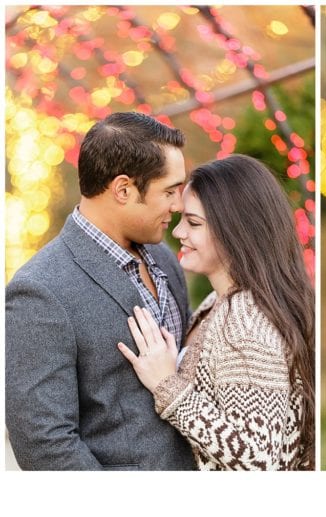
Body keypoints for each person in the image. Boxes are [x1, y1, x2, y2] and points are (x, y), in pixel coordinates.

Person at [5, 112, 195, 470]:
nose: (178, 205)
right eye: (169, 190)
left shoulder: (165, 258)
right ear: (123, 190)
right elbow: (44, 442)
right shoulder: (39, 290)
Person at [117, 155, 315, 470]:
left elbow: (257, 460)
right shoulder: (218, 302)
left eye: (194, 223)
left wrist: (167, 384)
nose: (179, 232)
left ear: (236, 230)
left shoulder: (246, 321)